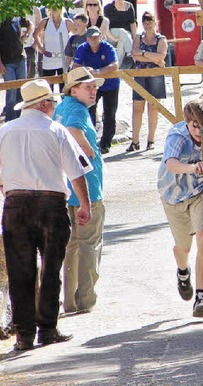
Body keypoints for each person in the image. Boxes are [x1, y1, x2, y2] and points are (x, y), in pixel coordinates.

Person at [0, 78, 92, 351]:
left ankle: (24, 335)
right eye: (52, 102)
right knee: (51, 269)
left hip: (15, 205)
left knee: (20, 271)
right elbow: (77, 173)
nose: (54, 106)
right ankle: (48, 330)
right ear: (43, 104)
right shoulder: (56, 131)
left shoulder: (5, 131)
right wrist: (85, 205)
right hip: (51, 205)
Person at [157, 99, 203, 318]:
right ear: (187, 123)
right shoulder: (177, 136)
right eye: (194, 126)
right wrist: (193, 167)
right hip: (174, 196)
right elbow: (170, 164)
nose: (199, 131)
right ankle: (183, 272)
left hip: (201, 191)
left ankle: (201, 295)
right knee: (183, 248)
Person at [54, 67, 106, 314]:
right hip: (87, 188)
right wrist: (88, 150)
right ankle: (85, 299)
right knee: (89, 243)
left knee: (72, 245)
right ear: (74, 90)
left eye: (95, 86)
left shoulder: (63, 106)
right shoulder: (77, 109)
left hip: (70, 188)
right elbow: (73, 131)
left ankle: (71, 301)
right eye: (88, 87)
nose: (94, 90)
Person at [73, 26, 119, 154]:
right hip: (92, 86)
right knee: (89, 111)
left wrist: (97, 72)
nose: (93, 39)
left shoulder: (107, 47)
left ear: (100, 36)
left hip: (110, 85)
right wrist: (86, 70)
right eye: (91, 37)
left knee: (109, 113)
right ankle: (91, 141)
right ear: (87, 38)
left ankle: (106, 143)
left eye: (96, 36)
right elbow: (76, 65)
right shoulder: (82, 48)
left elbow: (115, 65)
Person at [127, 11, 167, 152]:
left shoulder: (161, 39)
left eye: (150, 21)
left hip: (155, 76)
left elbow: (161, 56)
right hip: (140, 75)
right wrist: (152, 57)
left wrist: (143, 53)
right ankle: (135, 141)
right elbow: (134, 55)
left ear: (155, 22)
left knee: (153, 108)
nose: (147, 24)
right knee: (137, 108)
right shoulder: (138, 37)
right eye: (145, 21)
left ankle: (151, 140)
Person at [33, 7, 74, 93]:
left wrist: (71, 51)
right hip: (49, 58)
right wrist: (40, 47)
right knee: (48, 88)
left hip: (63, 59)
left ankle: (65, 105)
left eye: (58, 5)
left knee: (64, 88)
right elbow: (35, 34)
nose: (55, 8)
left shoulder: (67, 22)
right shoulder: (45, 22)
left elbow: (77, 35)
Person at [0, 16, 32, 122]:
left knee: (22, 90)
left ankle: (21, 118)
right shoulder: (2, 18)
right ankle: (10, 120)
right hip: (7, 61)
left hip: (20, 58)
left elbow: (30, 24)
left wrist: (26, 36)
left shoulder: (17, 14)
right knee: (11, 92)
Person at [103, 0, 136, 68]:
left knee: (122, 42)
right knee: (122, 32)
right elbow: (105, 27)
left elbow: (132, 24)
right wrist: (114, 39)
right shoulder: (108, 8)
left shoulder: (129, 7)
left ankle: (116, 66)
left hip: (126, 36)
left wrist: (134, 38)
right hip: (111, 34)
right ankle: (132, 53)